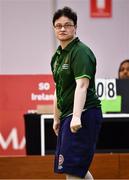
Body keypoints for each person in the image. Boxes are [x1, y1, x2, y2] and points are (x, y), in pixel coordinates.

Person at [51, 7, 103, 179]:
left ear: (75, 27)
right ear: (54, 28)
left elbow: (82, 85)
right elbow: (59, 89)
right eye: (58, 26)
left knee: (73, 168)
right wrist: (56, 117)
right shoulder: (57, 57)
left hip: (84, 113)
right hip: (67, 116)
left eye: (67, 25)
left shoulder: (80, 51)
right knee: (74, 168)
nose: (63, 29)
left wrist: (76, 116)